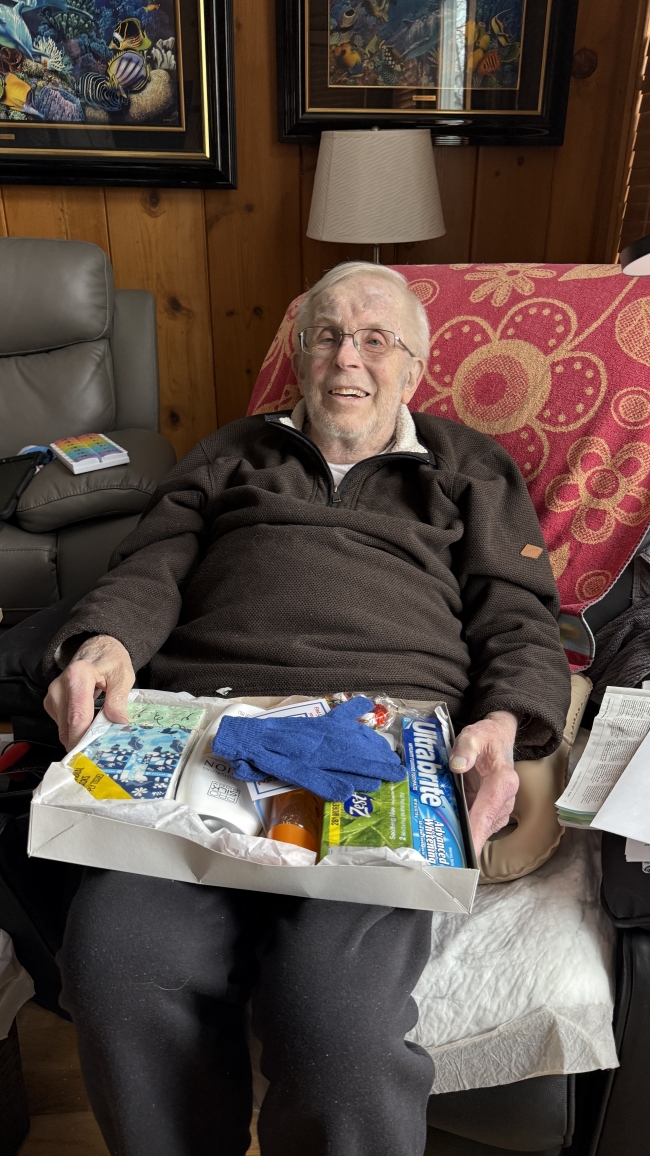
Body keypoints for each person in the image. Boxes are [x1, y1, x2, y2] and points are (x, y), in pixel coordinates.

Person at [42, 262, 570, 1156]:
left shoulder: (470, 467)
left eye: (376, 339)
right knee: (117, 965)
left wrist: (504, 720)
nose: (346, 359)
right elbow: (149, 568)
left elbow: (519, 616)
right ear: (298, 353)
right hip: (210, 724)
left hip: (384, 735)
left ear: (417, 366)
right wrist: (106, 642)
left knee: (337, 1026)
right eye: (325, 335)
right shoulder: (233, 450)